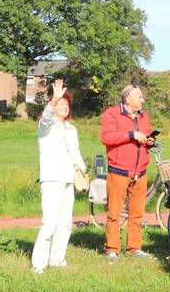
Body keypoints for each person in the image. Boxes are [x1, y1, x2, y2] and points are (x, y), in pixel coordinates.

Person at [32, 79, 87, 274]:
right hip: (51, 178)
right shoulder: (46, 125)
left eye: (66, 104)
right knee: (49, 222)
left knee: (65, 222)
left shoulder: (71, 129)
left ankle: (57, 259)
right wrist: (54, 99)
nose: (64, 107)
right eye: (60, 104)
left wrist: (83, 171)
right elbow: (47, 116)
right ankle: (39, 263)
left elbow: (75, 152)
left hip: (68, 178)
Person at [100, 83, 154, 261]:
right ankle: (112, 250)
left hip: (141, 171)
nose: (142, 100)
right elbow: (106, 138)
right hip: (119, 171)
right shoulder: (111, 114)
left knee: (137, 213)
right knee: (114, 213)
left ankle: (134, 248)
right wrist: (130, 135)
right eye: (139, 97)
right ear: (128, 99)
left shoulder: (144, 116)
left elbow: (144, 137)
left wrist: (149, 141)